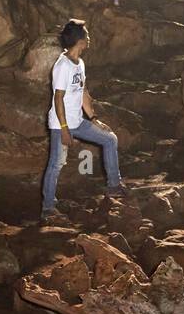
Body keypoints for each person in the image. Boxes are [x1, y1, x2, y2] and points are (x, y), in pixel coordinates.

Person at [40, 18, 126, 220]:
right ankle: (48, 207)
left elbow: (83, 92)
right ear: (79, 41)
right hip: (60, 124)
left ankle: (114, 185)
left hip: (78, 121)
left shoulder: (80, 63)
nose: (89, 37)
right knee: (57, 163)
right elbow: (58, 98)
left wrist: (94, 118)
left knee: (110, 138)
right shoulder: (63, 66)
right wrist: (63, 129)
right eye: (86, 34)